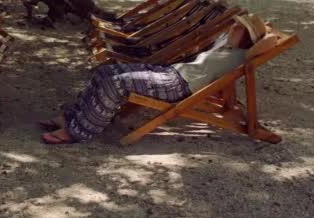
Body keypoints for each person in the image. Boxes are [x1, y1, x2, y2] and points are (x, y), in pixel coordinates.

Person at [39, 14, 278, 144]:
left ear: (247, 39)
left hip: (178, 86)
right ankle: (71, 116)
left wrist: (263, 33)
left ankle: (78, 131)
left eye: (239, 28)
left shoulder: (240, 56)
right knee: (107, 71)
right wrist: (252, 25)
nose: (233, 28)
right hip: (171, 73)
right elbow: (241, 30)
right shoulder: (225, 44)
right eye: (235, 25)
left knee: (117, 83)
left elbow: (271, 41)